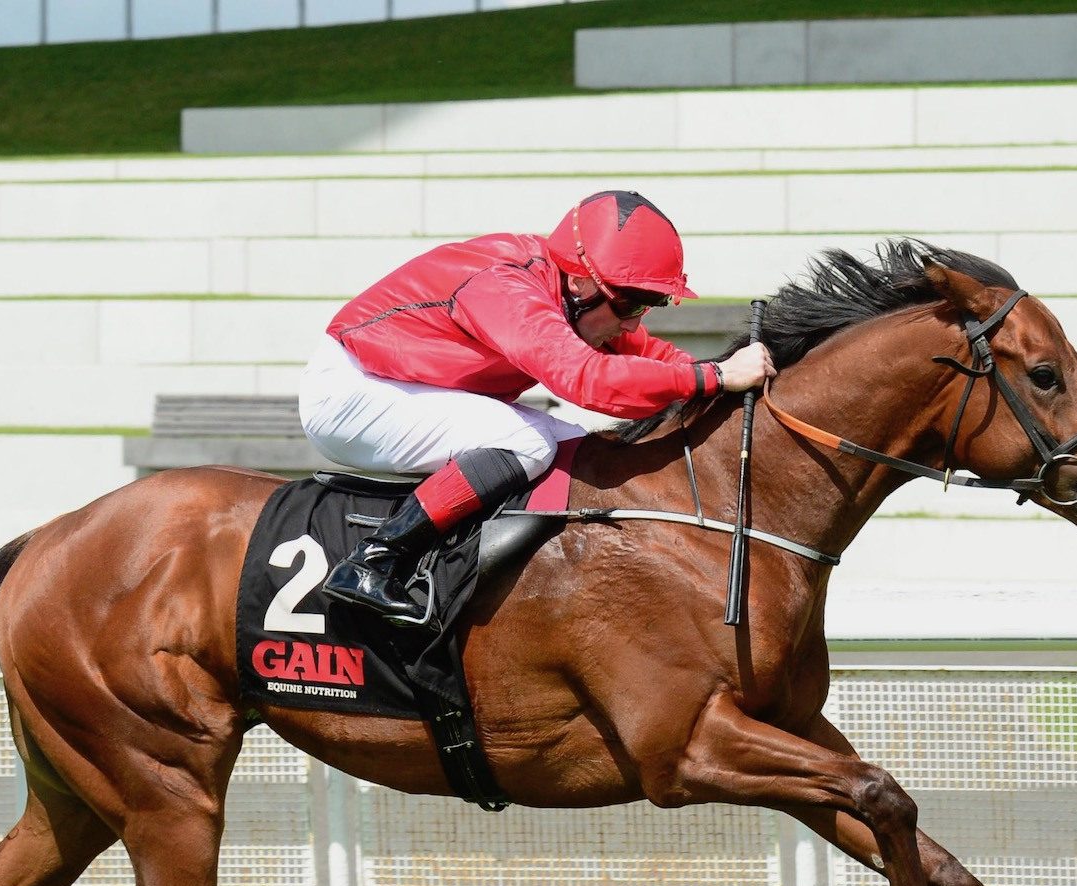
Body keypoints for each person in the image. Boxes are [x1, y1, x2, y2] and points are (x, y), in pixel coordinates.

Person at [301, 188, 775, 621]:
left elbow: (646, 354)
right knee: (527, 443)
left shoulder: (573, 292)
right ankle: (375, 560)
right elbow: (588, 380)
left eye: (648, 304)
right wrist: (713, 377)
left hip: (411, 384)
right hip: (354, 390)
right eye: (632, 304)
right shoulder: (506, 289)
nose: (634, 322)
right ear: (581, 283)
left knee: (579, 448)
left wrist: (717, 373)